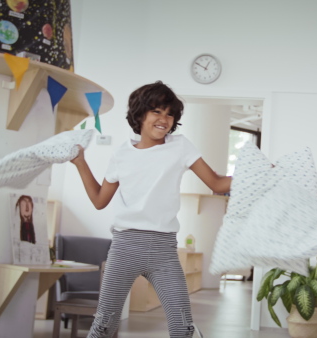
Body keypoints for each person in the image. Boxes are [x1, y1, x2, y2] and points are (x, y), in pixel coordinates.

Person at [71, 81, 231, 338]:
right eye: (157, 111)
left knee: (182, 328)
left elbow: (217, 183)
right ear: (140, 115)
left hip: (164, 252)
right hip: (124, 248)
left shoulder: (180, 146)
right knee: (102, 326)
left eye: (170, 114)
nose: (164, 119)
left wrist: (255, 175)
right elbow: (100, 200)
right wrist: (80, 163)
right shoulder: (122, 154)